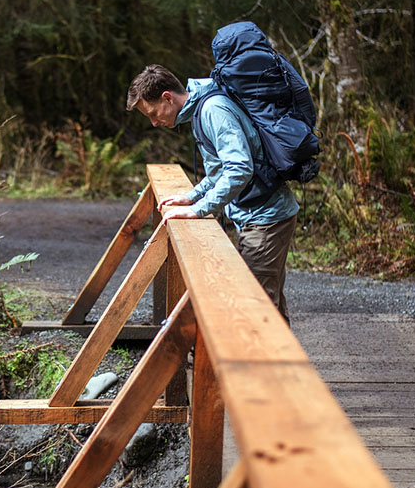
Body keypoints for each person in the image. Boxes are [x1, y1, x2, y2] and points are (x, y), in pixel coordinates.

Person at [125, 64, 299, 323]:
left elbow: (240, 168)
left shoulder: (213, 110)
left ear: (167, 98)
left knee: (259, 310)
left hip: (266, 217)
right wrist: (194, 195)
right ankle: (280, 362)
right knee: (267, 302)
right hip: (256, 214)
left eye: (153, 113)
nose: (154, 122)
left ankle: (264, 363)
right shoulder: (201, 110)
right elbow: (220, 170)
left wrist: (199, 209)